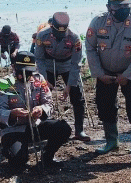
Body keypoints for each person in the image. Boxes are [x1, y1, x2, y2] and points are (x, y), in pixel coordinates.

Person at [86, 0, 131, 169]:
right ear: (109, 7)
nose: (123, 9)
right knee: (104, 105)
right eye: (118, 6)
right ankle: (111, 142)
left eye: (126, 6)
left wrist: (127, 75)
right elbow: (90, 49)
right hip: (105, 72)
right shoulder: (97, 22)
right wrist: (99, 73)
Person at [0, 51, 71, 173]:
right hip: (14, 129)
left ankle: (47, 157)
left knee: (63, 128)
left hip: (35, 125)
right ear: (14, 67)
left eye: (28, 72)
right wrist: (13, 113)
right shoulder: (4, 84)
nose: (25, 75)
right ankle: (10, 150)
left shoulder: (39, 79)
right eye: (21, 72)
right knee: (19, 160)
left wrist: (41, 109)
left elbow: (49, 103)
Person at [34, 12, 90, 141]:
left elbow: (76, 63)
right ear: (52, 26)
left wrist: (69, 86)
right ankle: (41, 129)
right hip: (48, 65)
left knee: (78, 97)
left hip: (67, 65)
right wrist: (44, 80)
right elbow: (39, 58)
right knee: (40, 95)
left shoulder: (75, 38)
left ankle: (79, 130)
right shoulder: (42, 35)